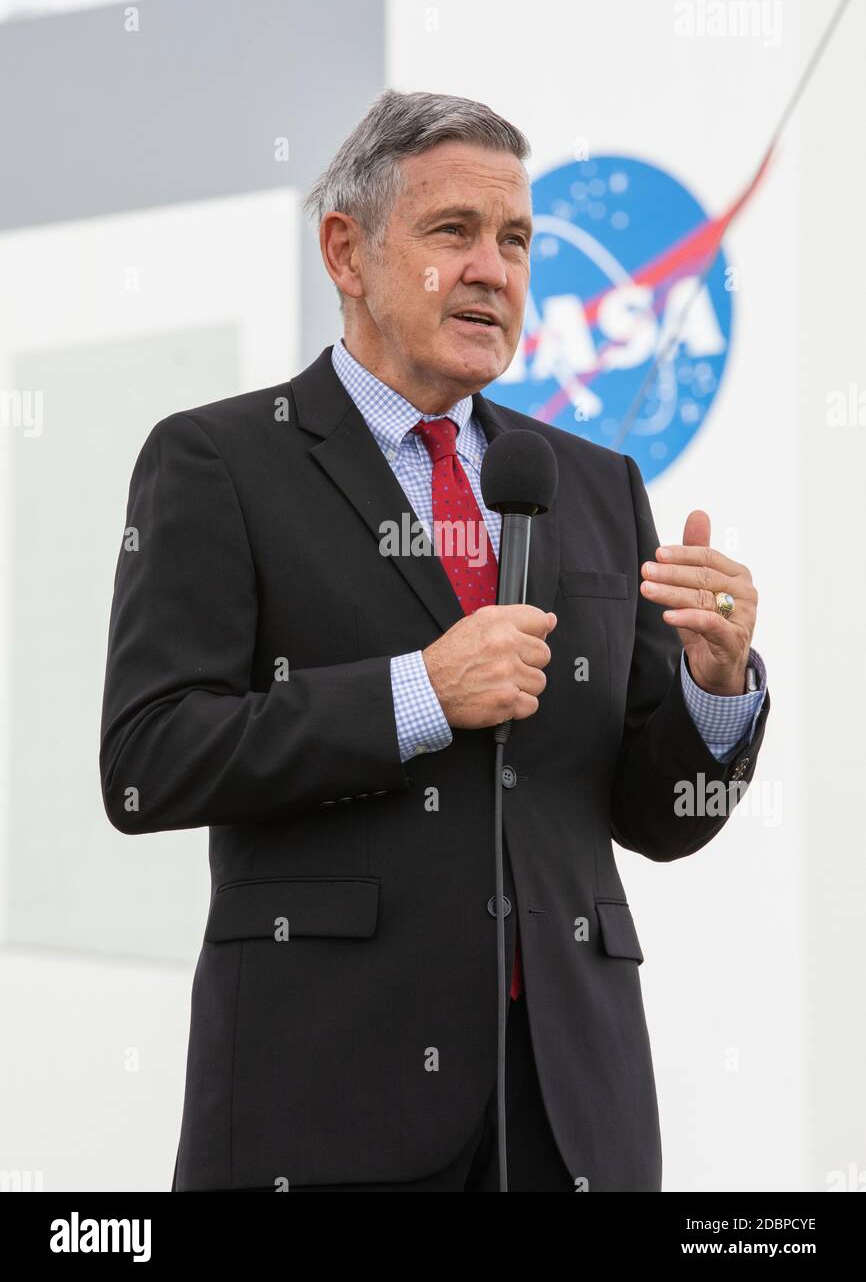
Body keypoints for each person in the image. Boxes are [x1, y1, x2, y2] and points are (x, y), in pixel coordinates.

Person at [99, 89, 769, 1192]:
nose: (492, 271)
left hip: (567, 1113)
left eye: (514, 241)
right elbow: (148, 760)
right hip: (322, 1105)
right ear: (346, 252)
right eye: (452, 232)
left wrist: (713, 687)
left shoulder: (592, 483)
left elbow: (656, 818)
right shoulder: (218, 462)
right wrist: (419, 691)